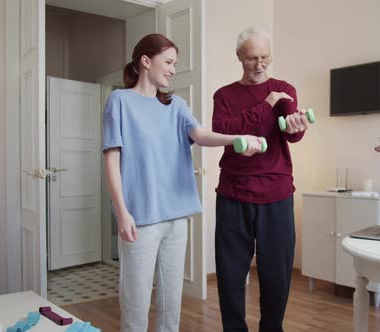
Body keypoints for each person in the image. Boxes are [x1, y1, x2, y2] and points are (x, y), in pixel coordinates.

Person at [103, 33, 262, 332]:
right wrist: (122, 212)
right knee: (135, 305)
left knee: (170, 304)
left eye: (175, 63)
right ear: (146, 61)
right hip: (140, 219)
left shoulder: (176, 105)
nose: (174, 69)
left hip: (176, 217)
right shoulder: (119, 101)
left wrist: (237, 139)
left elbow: (200, 135)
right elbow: (112, 159)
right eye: (169, 62)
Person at [212, 27, 310, 332]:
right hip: (233, 194)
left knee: (276, 275)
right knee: (229, 274)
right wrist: (266, 103)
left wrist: (297, 125)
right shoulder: (224, 95)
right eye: (252, 58)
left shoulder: (285, 89)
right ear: (239, 57)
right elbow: (225, 131)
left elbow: (293, 136)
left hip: (276, 194)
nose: (259, 64)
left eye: (264, 57)